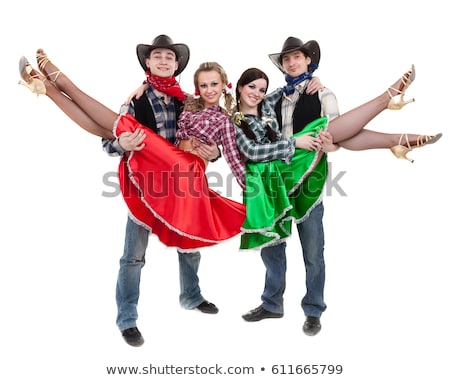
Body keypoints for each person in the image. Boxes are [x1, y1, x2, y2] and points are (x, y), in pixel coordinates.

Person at [18, 35, 244, 346]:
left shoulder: (188, 101)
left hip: (179, 179)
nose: (164, 60)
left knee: (189, 242)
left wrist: (211, 152)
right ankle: (127, 319)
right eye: (157, 56)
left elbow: (211, 136)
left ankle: (191, 297)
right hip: (148, 176)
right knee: (133, 256)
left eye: (169, 57)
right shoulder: (136, 99)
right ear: (148, 64)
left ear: (177, 66)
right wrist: (120, 144)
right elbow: (107, 139)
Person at [233, 57, 441, 336]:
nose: (256, 93)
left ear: (307, 61)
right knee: (273, 252)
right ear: (239, 88)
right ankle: (272, 304)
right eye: (251, 87)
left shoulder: (280, 100)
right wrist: (295, 141)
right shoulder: (237, 118)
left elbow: (328, 138)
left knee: (313, 253)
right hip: (271, 185)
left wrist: (313, 85)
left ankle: (313, 310)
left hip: (303, 174)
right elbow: (251, 152)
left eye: (261, 88)